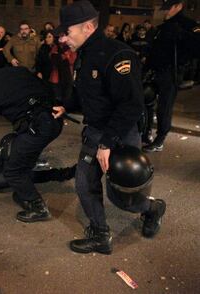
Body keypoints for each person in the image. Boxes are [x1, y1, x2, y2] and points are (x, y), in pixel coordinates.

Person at [54, 0, 166, 254]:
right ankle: (101, 235)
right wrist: (65, 106)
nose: (62, 38)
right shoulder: (84, 55)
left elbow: (131, 105)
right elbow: (87, 93)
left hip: (120, 131)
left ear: (88, 27)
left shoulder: (118, 55)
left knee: (122, 197)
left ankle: (152, 209)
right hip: (95, 130)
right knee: (84, 183)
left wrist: (107, 144)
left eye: (66, 32)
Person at [0, 55, 64, 222]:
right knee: (22, 156)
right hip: (53, 121)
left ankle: (38, 208)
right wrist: (57, 103)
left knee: (13, 170)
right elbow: (45, 86)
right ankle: (25, 192)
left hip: (35, 128)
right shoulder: (18, 71)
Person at [143, 0, 200, 152]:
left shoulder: (188, 24)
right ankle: (145, 132)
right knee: (146, 101)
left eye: (168, 9)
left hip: (171, 72)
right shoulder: (165, 25)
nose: (165, 12)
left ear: (179, 6)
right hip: (155, 71)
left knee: (164, 107)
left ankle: (160, 139)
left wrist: (182, 34)